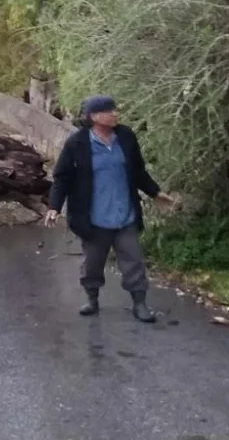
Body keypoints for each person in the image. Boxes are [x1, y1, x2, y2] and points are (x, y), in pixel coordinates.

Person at [44, 95, 175, 322]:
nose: (115, 113)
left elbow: (138, 171)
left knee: (133, 260)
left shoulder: (125, 136)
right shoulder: (77, 144)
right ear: (94, 116)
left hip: (125, 215)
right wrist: (54, 207)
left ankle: (140, 303)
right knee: (93, 264)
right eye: (109, 110)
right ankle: (92, 299)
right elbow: (62, 178)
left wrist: (155, 192)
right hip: (94, 219)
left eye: (115, 109)